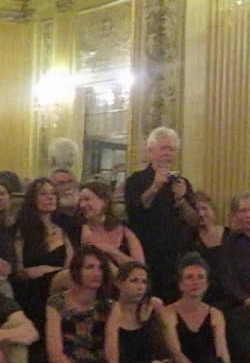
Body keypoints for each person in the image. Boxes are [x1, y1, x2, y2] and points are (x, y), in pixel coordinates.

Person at [43, 247, 144, 363]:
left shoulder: (110, 306)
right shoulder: (56, 302)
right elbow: (56, 355)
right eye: (89, 267)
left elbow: (111, 353)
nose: (96, 273)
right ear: (77, 271)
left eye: (100, 268)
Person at [106, 262, 197, 363]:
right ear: (119, 283)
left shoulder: (149, 310)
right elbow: (116, 356)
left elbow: (161, 348)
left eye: (144, 282)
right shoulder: (110, 311)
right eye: (134, 281)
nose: (140, 286)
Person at [162, 254, 247, 363]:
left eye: (200, 277)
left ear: (207, 284)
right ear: (180, 284)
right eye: (189, 277)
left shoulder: (215, 314)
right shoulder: (169, 313)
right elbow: (177, 355)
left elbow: (222, 352)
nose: (195, 282)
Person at [123, 126, 197, 299]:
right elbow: (134, 211)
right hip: (145, 252)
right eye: (164, 148)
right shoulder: (136, 180)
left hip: (175, 256)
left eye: (172, 149)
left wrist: (181, 199)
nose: (168, 153)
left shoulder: (182, 182)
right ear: (151, 151)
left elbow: (194, 220)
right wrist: (155, 186)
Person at [10, 177, 72, 344]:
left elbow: (70, 269)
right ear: (33, 199)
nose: (50, 197)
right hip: (30, 287)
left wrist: (46, 269)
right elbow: (20, 271)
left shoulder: (62, 231)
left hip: (58, 287)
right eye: (43, 194)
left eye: (53, 193)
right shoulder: (22, 229)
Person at [78, 180, 145, 271]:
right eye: (80, 200)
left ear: (104, 202)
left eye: (87, 199)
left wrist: (111, 251)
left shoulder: (124, 230)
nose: (82, 205)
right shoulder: (78, 229)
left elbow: (140, 268)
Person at [187, 191, 228, 306]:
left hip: (228, 294)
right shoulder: (189, 238)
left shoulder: (230, 235)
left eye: (205, 209)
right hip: (200, 296)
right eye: (196, 210)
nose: (201, 214)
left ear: (213, 211)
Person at [48, 167, 81, 245]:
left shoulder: (86, 215)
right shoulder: (49, 220)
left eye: (71, 182)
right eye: (61, 183)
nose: (68, 187)